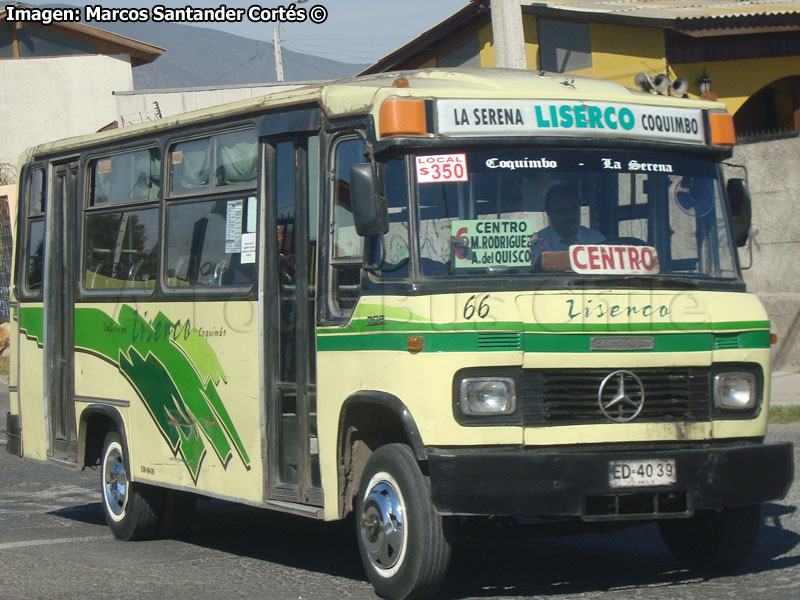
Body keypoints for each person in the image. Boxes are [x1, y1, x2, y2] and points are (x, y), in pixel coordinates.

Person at [534, 185, 605, 254]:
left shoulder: (595, 239)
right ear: (549, 212)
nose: (569, 215)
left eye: (574, 208)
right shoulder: (538, 243)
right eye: (562, 210)